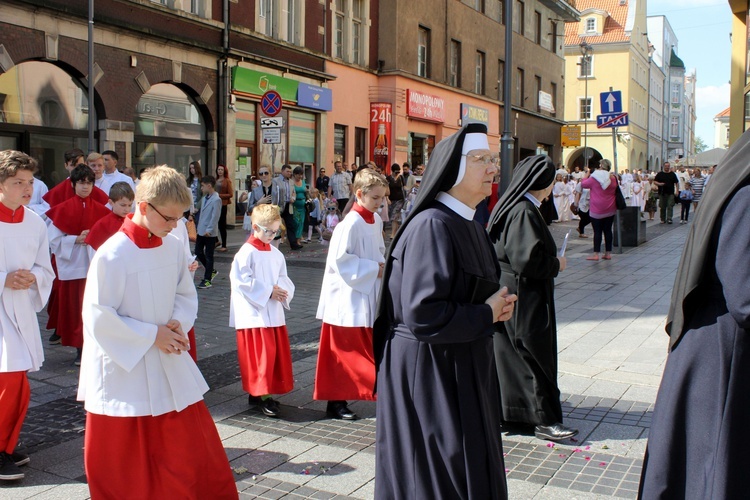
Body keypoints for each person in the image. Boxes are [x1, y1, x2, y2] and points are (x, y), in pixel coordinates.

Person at [373, 123, 516, 499]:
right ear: (453, 168)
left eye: (492, 160)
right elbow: (423, 314)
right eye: (481, 159)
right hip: (431, 371)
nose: (492, 169)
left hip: (458, 361)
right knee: (436, 476)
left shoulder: (469, 222)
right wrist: (485, 314)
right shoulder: (432, 224)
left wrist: (493, 309)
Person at [78, 165, 237, 499]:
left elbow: (184, 293)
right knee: (127, 459)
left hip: (167, 359)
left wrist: (179, 321)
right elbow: (96, 315)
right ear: (144, 206)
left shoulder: (170, 245)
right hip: (126, 370)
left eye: (181, 218)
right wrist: (152, 335)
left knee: (186, 452)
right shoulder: (112, 254)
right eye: (170, 218)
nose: (176, 226)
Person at [638, 130, 750, 500]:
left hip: (719, 350)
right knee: (712, 468)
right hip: (722, 359)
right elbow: (745, 294)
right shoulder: (748, 195)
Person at [487, 154, 576, 443]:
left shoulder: (515, 204)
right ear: (546, 184)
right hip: (524, 294)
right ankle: (543, 419)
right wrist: (557, 265)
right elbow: (527, 260)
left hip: (512, 289)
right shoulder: (524, 210)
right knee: (533, 353)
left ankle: (513, 413)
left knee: (512, 354)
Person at [314, 168, 387, 421]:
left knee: (361, 346)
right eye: (376, 198)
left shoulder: (375, 221)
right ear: (359, 194)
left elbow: (378, 249)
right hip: (346, 298)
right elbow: (340, 261)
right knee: (344, 352)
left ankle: (348, 397)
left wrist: (381, 266)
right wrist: (372, 269)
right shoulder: (349, 224)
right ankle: (336, 401)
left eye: (382, 198)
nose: (380, 203)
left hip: (366, 290)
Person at [0, 151, 54, 482]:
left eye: (30, 182)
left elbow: (44, 266)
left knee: (18, 384)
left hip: (19, 308)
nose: (27, 189)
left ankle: (5, 445)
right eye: (18, 182)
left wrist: (33, 277)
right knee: (7, 383)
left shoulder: (34, 221)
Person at [230, 204, 295, 418]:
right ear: (254, 227)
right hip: (254, 316)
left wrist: (281, 291)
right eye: (268, 231)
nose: (272, 235)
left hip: (273, 313)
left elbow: (284, 277)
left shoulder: (276, 254)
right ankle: (263, 396)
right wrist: (268, 291)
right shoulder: (245, 253)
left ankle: (260, 394)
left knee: (272, 355)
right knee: (261, 357)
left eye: (276, 231)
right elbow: (241, 281)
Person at [45, 164, 110, 365]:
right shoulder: (62, 209)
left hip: (93, 264)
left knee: (95, 306)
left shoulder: (101, 210)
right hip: (72, 265)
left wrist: (92, 237)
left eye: (89, 183)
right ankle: (79, 349)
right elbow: (53, 240)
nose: (85, 187)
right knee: (75, 309)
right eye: (81, 183)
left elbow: (110, 237)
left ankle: (96, 344)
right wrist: (75, 239)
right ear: (73, 184)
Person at [581, 159, 618, 261]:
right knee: (608, 230)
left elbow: (583, 184)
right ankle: (608, 253)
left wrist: (586, 174)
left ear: (601, 166)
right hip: (610, 207)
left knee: (597, 231)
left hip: (596, 209)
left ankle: (596, 254)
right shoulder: (613, 178)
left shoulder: (594, 178)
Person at [84, 182, 135, 253]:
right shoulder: (102, 225)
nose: (127, 209)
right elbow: (93, 251)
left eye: (129, 205)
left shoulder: (133, 222)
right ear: (111, 202)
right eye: (123, 205)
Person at [195, 175, 221, 289]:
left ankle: (207, 279)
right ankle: (211, 271)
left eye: (203, 186)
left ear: (209, 186)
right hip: (201, 230)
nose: (201, 188)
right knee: (198, 252)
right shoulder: (205, 198)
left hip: (209, 232)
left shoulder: (216, 199)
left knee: (209, 255)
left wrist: (209, 230)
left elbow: (215, 217)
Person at [274, 165, 303, 250]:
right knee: (276, 225)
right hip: (279, 206)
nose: (289, 173)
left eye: (290, 172)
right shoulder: (276, 181)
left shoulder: (291, 182)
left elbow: (293, 192)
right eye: (287, 171)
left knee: (290, 224)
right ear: (282, 171)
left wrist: (293, 198)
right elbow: (274, 193)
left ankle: (293, 244)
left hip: (288, 206)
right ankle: (275, 243)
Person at [215, 164, 233, 252]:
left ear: (224, 171)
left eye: (221, 170)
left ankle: (224, 245)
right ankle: (216, 241)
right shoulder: (215, 180)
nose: (220, 171)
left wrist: (219, 195)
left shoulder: (227, 181)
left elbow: (230, 194)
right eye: (218, 169)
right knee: (214, 223)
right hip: (215, 204)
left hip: (223, 204)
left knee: (222, 225)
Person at [386, 164, 406, 238]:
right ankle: (396, 232)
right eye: (396, 172)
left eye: (398, 172)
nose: (397, 174)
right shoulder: (388, 178)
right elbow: (386, 189)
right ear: (392, 171)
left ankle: (393, 234)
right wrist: (387, 198)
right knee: (393, 216)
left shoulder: (401, 178)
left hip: (400, 200)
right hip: (391, 199)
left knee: (394, 216)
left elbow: (404, 187)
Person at [291, 166, 307, 241]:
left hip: (302, 204)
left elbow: (305, 191)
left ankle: (298, 238)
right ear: (294, 174)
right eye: (298, 174)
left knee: (301, 222)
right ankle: (293, 237)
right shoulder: (291, 182)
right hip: (294, 205)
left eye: (301, 174)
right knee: (296, 222)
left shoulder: (303, 181)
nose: (300, 176)